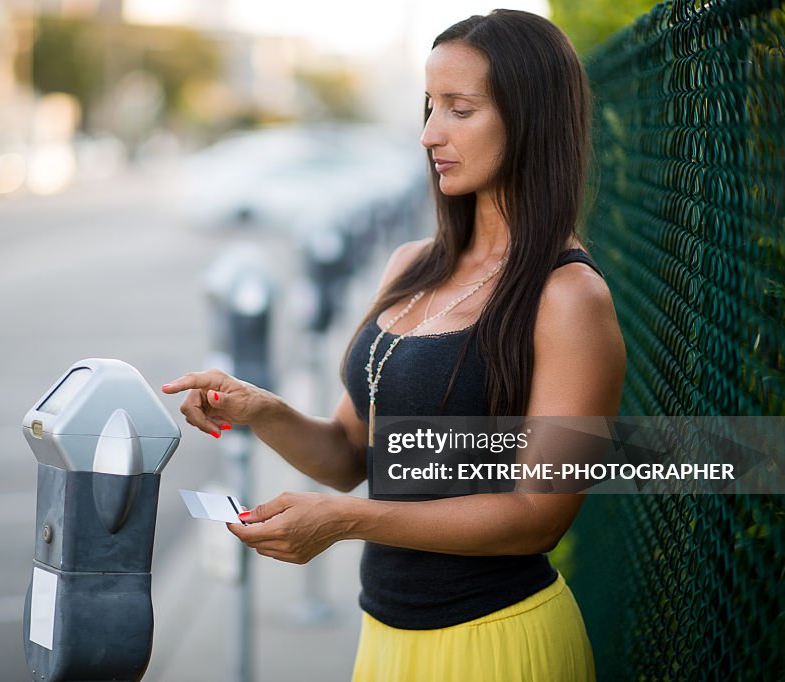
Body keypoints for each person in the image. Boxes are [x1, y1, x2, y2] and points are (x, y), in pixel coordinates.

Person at [163, 9, 625, 681]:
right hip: (385, 639)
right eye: (430, 106)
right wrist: (260, 409)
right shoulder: (412, 265)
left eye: (459, 110)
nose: (429, 133)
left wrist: (345, 522)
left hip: (496, 644)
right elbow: (351, 455)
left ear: (530, 121)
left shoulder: (568, 299)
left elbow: (537, 517)